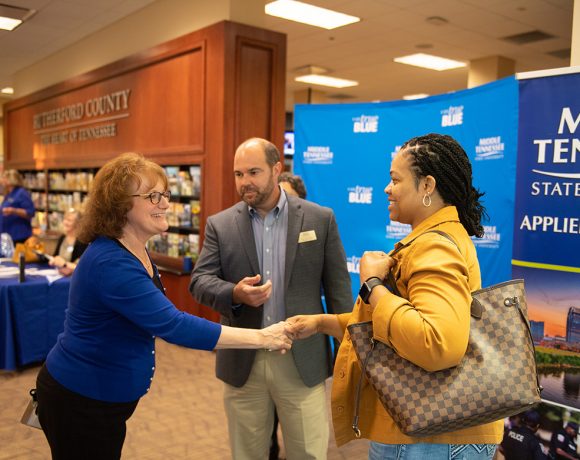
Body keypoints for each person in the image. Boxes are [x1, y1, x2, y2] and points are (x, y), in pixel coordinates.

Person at [35, 152, 294, 460]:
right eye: (153, 196)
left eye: (165, 195)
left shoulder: (134, 250)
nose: (166, 204)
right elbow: (174, 325)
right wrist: (263, 337)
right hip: (81, 398)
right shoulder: (110, 262)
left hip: (101, 396)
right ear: (120, 205)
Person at [288, 133, 503, 459]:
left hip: (429, 436)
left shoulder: (434, 246)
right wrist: (322, 323)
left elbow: (437, 343)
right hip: (431, 430)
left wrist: (373, 285)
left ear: (427, 186)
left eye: (395, 180)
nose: (387, 189)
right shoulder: (436, 239)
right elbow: (397, 327)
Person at [189, 137, 353, 460]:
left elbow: (339, 293)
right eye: (238, 174)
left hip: (301, 359)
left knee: (308, 453)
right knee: (246, 453)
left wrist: (345, 356)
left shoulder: (320, 219)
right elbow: (199, 282)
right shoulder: (220, 225)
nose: (245, 182)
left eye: (253, 172)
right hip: (244, 360)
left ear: (277, 169)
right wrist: (234, 293)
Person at [47, 208, 88, 276]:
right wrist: (53, 260)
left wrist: (64, 264)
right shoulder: (63, 237)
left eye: (69, 220)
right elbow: (55, 255)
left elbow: (81, 267)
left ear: (77, 223)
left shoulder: (82, 241)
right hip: (58, 273)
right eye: (65, 219)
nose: (65, 222)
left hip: (72, 277)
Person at [0, 169, 35, 244]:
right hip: (7, 234)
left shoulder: (21, 193)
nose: (2, 181)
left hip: (18, 235)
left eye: (4, 178)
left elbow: (30, 212)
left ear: (11, 179)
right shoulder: (8, 193)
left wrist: (13, 211)